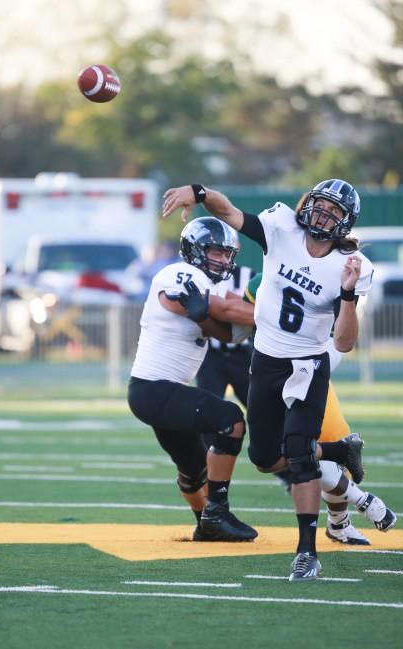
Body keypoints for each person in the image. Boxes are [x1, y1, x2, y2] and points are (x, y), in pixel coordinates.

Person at [163, 179, 370, 581]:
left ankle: (307, 552)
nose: (323, 215)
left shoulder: (351, 266)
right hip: (266, 361)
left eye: (334, 212)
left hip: (308, 364)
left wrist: (347, 295)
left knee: (297, 453)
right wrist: (200, 193)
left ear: (346, 223)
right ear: (308, 204)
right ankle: (338, 451)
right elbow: (230, 213)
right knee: (262, 458)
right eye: (320, 206)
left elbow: (344, 342)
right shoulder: (281, 229)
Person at [238, 272, 396, 545]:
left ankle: (340, 522)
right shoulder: (262, 279)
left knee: (321, 441)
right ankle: (354, 499)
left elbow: (342, 339)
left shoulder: (332, 274)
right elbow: (240, 326)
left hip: (310, 367)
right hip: (272, 372)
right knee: (278, 454)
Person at [127, 216, 258, 542]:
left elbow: (228, 335)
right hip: (154, 389)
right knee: (231, 420)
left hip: (158, 392)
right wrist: (286, 318)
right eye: (217, 252)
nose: (224, 260)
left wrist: (204, 313)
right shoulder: (179, 273)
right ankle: (218, 512)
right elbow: (182, 302)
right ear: (196, 250)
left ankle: (204, 523)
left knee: (194, 467)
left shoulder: (210, 286)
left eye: (228, 254)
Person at [195, 265, 256, 408]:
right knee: (208, 411)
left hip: (242, 354)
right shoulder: (202, 278)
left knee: (258, 411)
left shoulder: (249, 275)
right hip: (211, 355)